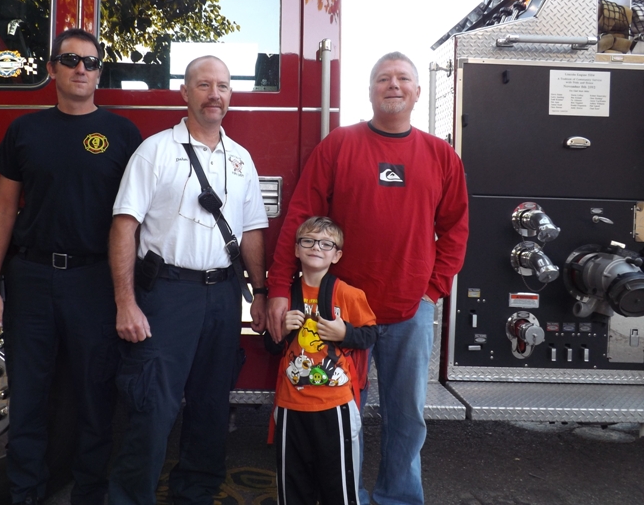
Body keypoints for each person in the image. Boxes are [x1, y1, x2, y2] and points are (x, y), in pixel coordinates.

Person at [266, 52, 469, 505]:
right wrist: (280, 286)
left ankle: (398, 497)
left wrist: (433, 290)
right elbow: (300, 217)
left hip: (409, 310)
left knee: (407, 417)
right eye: (383, 78)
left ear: (417, 91)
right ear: (370, 90)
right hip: (340, 316)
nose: (393, 85)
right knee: (342, 413)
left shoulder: (440, 156)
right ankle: (346, 496)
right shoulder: (339, 145)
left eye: (403, 78)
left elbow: (456, 229)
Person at [0, 28, 142, 505]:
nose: (81, 69)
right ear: (52, 69)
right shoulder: (24, 130)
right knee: (29, 397)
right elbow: (4, 209)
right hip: (31, 278)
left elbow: (133, 220)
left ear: (99, 74)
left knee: (95, 398)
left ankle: (89, 493)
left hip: (94, 281)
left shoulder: (123, 134)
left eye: (91, 62)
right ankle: (25, 494)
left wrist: (128, 295)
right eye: (70, 60)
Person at [106, 55, 269, 505]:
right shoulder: (155, 151)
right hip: (166, 294)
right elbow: (124, 226)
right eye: (204, 85)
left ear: (231, 95)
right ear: (184, 92)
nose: (214, 94)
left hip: (223, 296)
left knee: (212, 405)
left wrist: (260, 293)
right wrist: (126, 302)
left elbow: (253, 231)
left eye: (223, 86)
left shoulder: (241, 159)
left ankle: (195, 493)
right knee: (152, 406)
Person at [267, 216, 377, 505]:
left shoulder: (349, 295)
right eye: (308, 241)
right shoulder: (283, 297)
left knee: (338, 488)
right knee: (293, 487)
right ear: (296, 249)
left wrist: (345, 333)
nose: (316, 247)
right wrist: (281, 331)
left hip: (335, 407)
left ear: (337, 255)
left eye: (326, 244)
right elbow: (270, 345)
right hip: (291, 406)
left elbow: (370, 335)